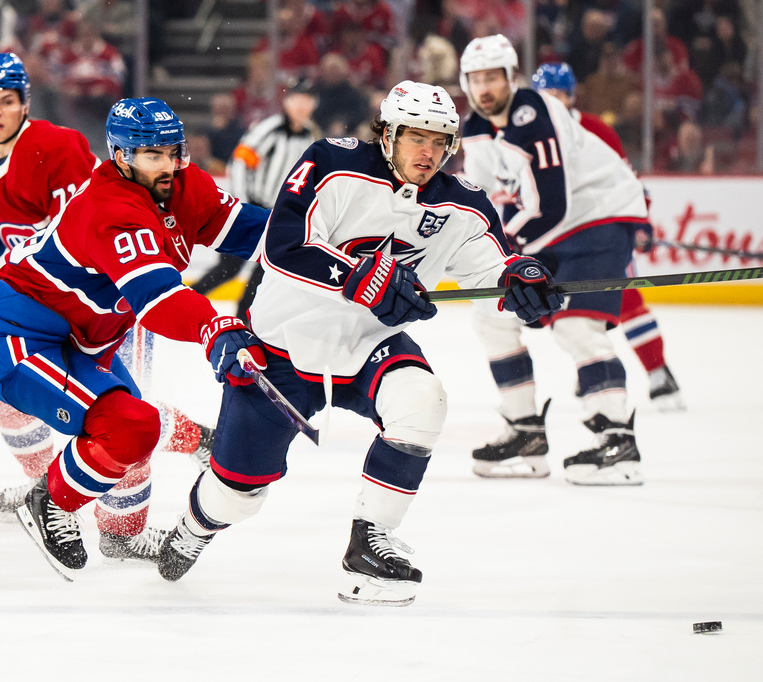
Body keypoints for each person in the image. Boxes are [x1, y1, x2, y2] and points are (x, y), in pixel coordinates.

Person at [154, 80, 563, 605]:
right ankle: (194, 526)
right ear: (388, 133)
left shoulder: (465, 204)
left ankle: (369, 541)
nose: (429, 152)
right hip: (281, 345)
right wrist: (361, 278)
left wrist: (522, 279)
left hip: (370, 345)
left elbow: (494, 265)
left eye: (441, 141)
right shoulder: (330, 162)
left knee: (422, 401)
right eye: (417, 137)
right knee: (237, 495)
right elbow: (284, 245)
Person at [0, 54, 214, 562]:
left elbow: (83, 228)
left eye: (7, 101)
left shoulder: (56, 147)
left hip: (109, 306)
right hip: (48, 311)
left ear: (25, 103)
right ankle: (46, 486)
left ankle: (128, 522)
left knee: (119, 417)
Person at [0, 96, 271, 581]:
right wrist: (212, 325)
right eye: (153, 155)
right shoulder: (110, 208)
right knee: (129, 426)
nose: (169, 165)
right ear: (121, 157)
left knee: (136, 432)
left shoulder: (182, 185)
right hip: (23, 339)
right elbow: (156, 300)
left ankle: (121, 533)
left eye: (173, 152)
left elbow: (253, 232)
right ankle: (49, 499)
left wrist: (332, 244)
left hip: (88, 340)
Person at [459, 35, 651, 486]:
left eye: (493, 77)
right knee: (492, 314)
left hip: (596, 220)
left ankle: (617, 441)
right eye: (476, 79)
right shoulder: (475, 128)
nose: (485, 88)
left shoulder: (536, 113)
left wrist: (507, 253)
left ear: (511, 77)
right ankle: (525, 430)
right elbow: (484, 203)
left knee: (575, 326)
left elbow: (552, 204)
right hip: (547, 230)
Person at [531, 62, 683, 410]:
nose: (551, 101)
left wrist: (639, 223)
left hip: (601, 232)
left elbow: (627, 182)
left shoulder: (596, 130)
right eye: (544, 95)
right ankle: (593, 370)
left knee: (627, 302)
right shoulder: (529, 137)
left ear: (570, 96)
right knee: (571, 311)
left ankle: (659, 375)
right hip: (554, 241)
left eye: (558, 94)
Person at [190, 77, 321, 322]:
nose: (302, 106)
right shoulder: (270, 128)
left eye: (307, 101)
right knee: (230, 267)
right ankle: (187, 301)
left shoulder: (310, 136)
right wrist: (242, 205)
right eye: (297, 100)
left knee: (264, 272)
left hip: (279, 216)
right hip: (253, 208)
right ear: (287, 102)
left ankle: (242, 319)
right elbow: (240, 162)